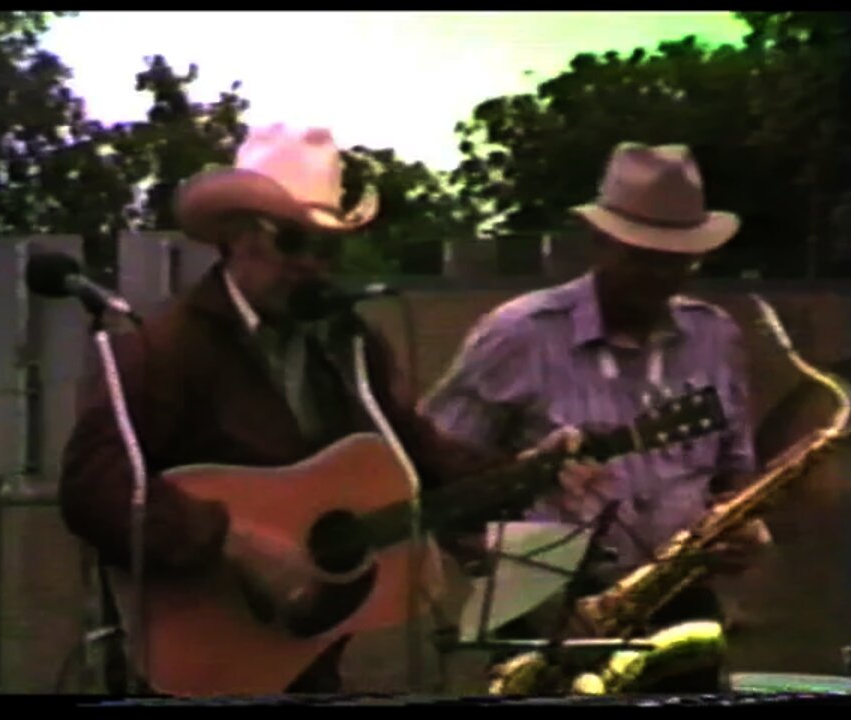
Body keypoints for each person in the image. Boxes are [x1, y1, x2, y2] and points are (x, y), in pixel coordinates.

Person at [57, 123, 585, 696]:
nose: (311, 264)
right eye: (291, 241)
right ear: (237, 237)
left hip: (306, 656)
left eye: (327, 247)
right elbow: (96, 488)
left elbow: (420, 460)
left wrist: (525, 470)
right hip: (194, 660)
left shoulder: (348, 347)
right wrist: (233, 540)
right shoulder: (164, 348)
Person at [419, 142, 773, 693]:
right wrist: (503, 572)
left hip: (682, 603)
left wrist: (743, 526)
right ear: (600, 242)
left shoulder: (716, 336)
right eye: (644, 256)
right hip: (549, 610)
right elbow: (435, 475)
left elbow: (733, 472)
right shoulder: (519, 334)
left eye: (678, 258)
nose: (661, 275)